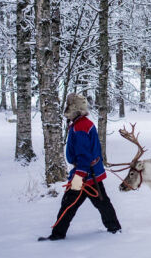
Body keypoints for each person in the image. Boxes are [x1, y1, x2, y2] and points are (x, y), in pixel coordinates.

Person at [38, 93, 121, 241]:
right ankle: (114, 228)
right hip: (90, 174)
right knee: (101, 202)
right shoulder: (82, 124)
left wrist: (79, 176)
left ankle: (57, 234)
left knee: (69, 205)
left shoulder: (81, 127)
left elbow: (84, 155)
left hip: (84, 175)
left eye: (68, 106)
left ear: (74, 109)